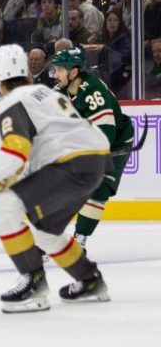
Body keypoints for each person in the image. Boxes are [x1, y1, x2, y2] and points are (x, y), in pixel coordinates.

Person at [0, 44, 111, 313]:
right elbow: (38, 150)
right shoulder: (45, 93)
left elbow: (16, 152)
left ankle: (34, 284)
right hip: (95, 162)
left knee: (1, 206)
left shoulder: (12, 101)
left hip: (69, 165)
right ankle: (90, 281)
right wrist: (8, 178)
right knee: (45, 232)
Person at [50, 47, 134, 249]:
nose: (55, 74)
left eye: (60, 69)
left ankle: (80, 238)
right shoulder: (61, 90)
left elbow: (105, 135)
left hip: (115, 141)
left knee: (99, 188)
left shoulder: (92, 91)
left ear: (74, 72)